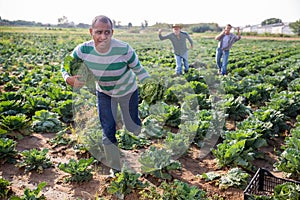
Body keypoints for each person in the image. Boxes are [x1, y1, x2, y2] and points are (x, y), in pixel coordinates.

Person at [61, 15, 150, 174]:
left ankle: (130, 122)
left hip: (128, 92)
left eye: (107, 32)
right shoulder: (83, 50)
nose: (103, 37)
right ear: (91, 32)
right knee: (107, 130)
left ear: (112, 32)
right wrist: (68, 78)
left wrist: (152, 86)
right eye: (99, 32)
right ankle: (115, 167)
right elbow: (65, 65)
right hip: (104, 93)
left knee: (132, 127)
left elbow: (139, 70)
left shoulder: (124, 48)